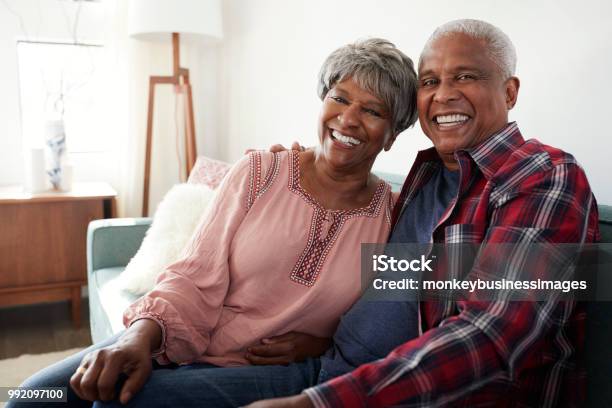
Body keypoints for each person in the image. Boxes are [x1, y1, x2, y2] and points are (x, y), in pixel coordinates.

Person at [7, 38, 419, 408]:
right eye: (339, 98)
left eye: (372, 111)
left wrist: (324, 343)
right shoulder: (259, 172)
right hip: (180, 331)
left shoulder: (395, 218)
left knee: (115, 402)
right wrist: (139, 336)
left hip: (262, 371)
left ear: (392, 134)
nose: (347, 119)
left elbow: (388, 326)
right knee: (30, 399)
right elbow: (194, 276)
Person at [248, 19, 600, 407]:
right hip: (328, 368)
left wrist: (319, 403)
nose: (443, 95)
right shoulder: (427, 176)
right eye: (429, 82)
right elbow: (392, 291)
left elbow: (493, 335)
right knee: (167, 389)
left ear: (510, 92)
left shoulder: (543, 176)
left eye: (464, 76)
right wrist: (294, 175)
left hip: (391, 396)